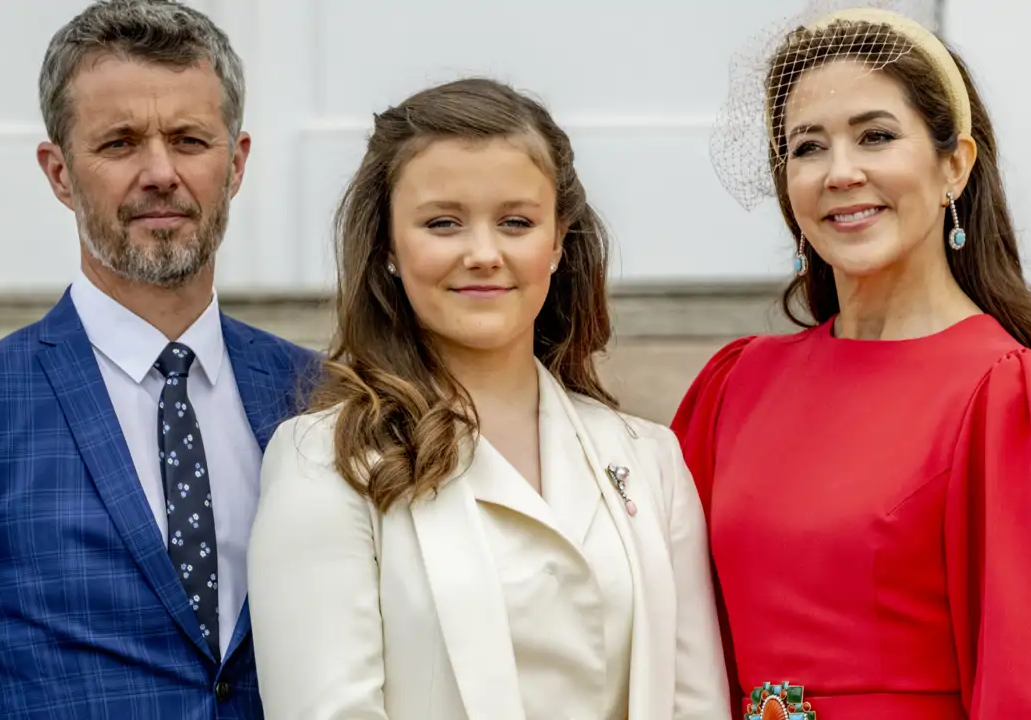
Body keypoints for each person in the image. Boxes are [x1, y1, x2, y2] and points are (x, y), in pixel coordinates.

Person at [675, 5, 1031, 719]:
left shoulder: (1011, 398)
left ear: (953, 165)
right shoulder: (735, 386)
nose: (841, 172)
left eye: (876, 136)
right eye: (808, 147)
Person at [0, 1, 318, 717]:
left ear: (236, 164)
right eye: (118, 144)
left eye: (190, 140)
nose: (160, 173)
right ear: (59, 173)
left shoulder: (317, 395)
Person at [246, 77, 732, 720]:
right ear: (388, 246)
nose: (483, 254)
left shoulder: (652, 460)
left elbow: (694, 704)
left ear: (557, 242)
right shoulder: (327, 460)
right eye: (443, 223)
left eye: (516, 222)